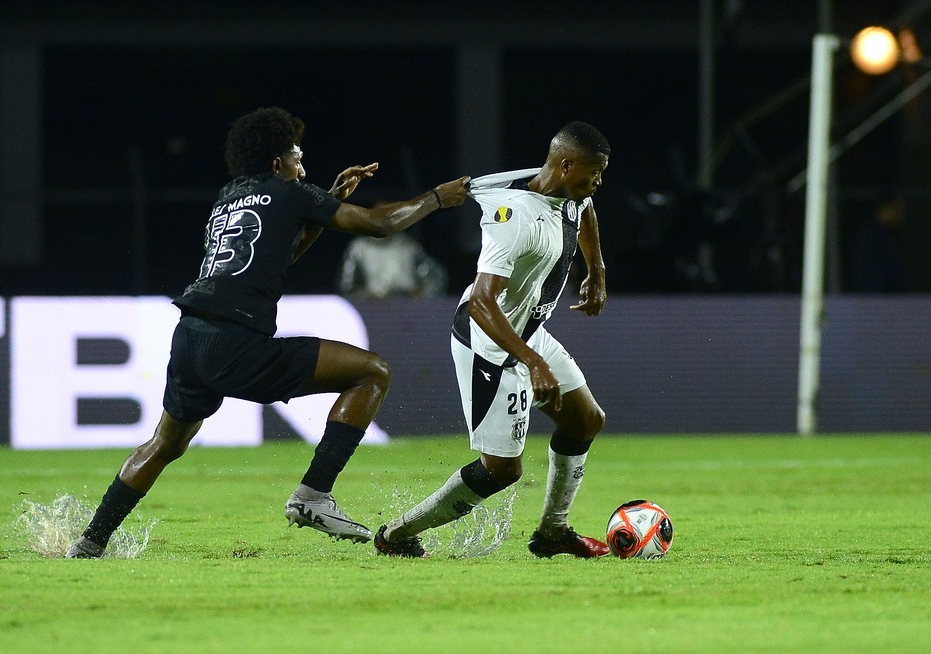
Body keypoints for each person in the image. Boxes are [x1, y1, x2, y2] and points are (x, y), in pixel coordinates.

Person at [66, 106, 470, 558]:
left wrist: (324, 199)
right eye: (298, 156)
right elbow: (379, 225)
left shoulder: (229, 196)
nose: (304, 166)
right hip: (236, 341)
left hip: (191, 336)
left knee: (164, 444)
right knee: (372, 371)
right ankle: (314, 494)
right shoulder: (289, 192)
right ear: (277, 162)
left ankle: (90, 540)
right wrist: (437, 197)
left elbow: (281, 253)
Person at [374, 121, 611, 559]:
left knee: (586, 421)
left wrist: (596, 272)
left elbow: (586, 214)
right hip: (490, 345)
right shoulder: (514, 216)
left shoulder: (573, 196)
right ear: (565, 164)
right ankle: (397, 535)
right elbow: (483, 303)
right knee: (501, 471)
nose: (598, 182)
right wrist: (531, 361)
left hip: (527, 334)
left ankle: (553, 532)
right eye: (594, 172)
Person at [338, 202, 448, 298]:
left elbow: (436, 276)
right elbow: (346, 286)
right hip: (372, 310)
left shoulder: (408, 245)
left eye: (390, 213)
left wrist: (422, 294)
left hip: (407, 308)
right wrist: (366, 297)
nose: (384, 219)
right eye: (379, 214)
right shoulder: (359, 248)